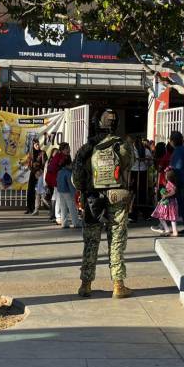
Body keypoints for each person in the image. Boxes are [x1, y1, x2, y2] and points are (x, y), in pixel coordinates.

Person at [72, 108, 134, 298]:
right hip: (117, 197)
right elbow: (128, 167)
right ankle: (118, 285)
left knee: (91, 242)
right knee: (116, 240)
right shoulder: (122, 145)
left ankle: (85, 284)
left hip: (92, 199)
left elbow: (77, 180)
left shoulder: (86, 148)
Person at [169, 131, 184, 235]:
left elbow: (177, 167)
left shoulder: (178, 151)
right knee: (180, 203)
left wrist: (170, 173)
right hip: (181, 179)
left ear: (173, 141)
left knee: (177, 204)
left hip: (177, 180)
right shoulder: (182, 150)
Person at [151, 167, 179, 236]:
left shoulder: (170, 184)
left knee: (161, 215)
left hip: (168, 203)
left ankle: (168, 230)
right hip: (171, 202)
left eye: (166, 175)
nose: (165, 176)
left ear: (168, 176)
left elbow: (173, 192)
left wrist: (166, 195)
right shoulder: (171, 183)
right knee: (172, 217)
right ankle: (173, 231)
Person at [56, 156, 80, 228]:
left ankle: (64, 223)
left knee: (63, 207)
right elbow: (70, 184)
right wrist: (75, 192)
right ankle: (76, 222)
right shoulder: (68, 173)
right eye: (70, 164)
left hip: (60, 191)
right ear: (67, 165)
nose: (71, 166)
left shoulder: (60, 172)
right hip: (68, 192)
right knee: (72, 207)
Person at [25, 139, 45, 214]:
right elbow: (29, 165)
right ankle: (29, 208)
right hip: (33, 173)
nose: (38, 146)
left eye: (38, 144)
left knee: (40, 191)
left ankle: (38, 208)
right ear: (33, 146)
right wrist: (33, 170)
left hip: (40, 173)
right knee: (30, 190)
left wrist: (40, 170)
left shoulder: (42, 153)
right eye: (36, 145)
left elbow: (45, 163)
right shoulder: (30, 154)